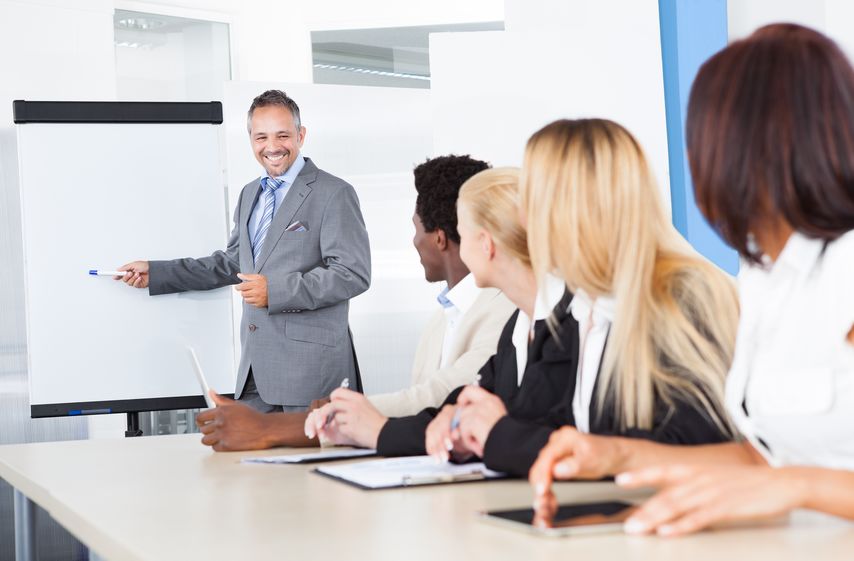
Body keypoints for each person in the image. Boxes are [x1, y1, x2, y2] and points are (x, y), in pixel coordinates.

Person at [529, 24, 854, 536]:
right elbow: (764, 461)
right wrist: (618, 453)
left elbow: (787, 477)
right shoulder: (766, 278)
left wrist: (798, 485)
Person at [195, 155, 515, 450]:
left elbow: (435, 398)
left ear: (440, 238)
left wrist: (276, 426)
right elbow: (425, 411)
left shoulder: (506, 312)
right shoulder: (443, 318)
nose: (413, 241)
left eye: (415, 229)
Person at [116, 90, 371, 412]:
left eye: (283, 135)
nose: (272, 146)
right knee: (249, 460)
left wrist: (276, 291)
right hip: (255, 368)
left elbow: (352, 273)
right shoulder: (251, 194)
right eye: (261, 137)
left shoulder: (334, 193)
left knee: (309, 460)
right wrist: (158, 272)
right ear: (251, 140)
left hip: (311, 373)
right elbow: (234, 262)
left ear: (301, 135)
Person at [306, 168, 578, 458]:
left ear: (485, 244)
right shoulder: (517, 327)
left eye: (461, 232)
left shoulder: (568, 326)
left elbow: (538, 435)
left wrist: (380, 429)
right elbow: (451, 408)